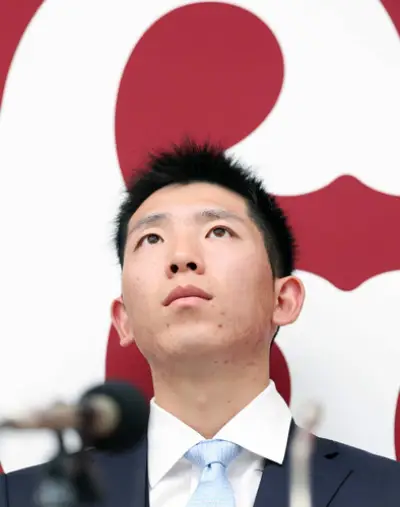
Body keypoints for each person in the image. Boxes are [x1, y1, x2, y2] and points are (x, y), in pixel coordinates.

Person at [4, 141, 400, 507]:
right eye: (152, 239)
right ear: (123, 320)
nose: (182, 258)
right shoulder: (21, 498)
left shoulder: (387, 491)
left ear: (283, 300)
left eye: (218, 231)